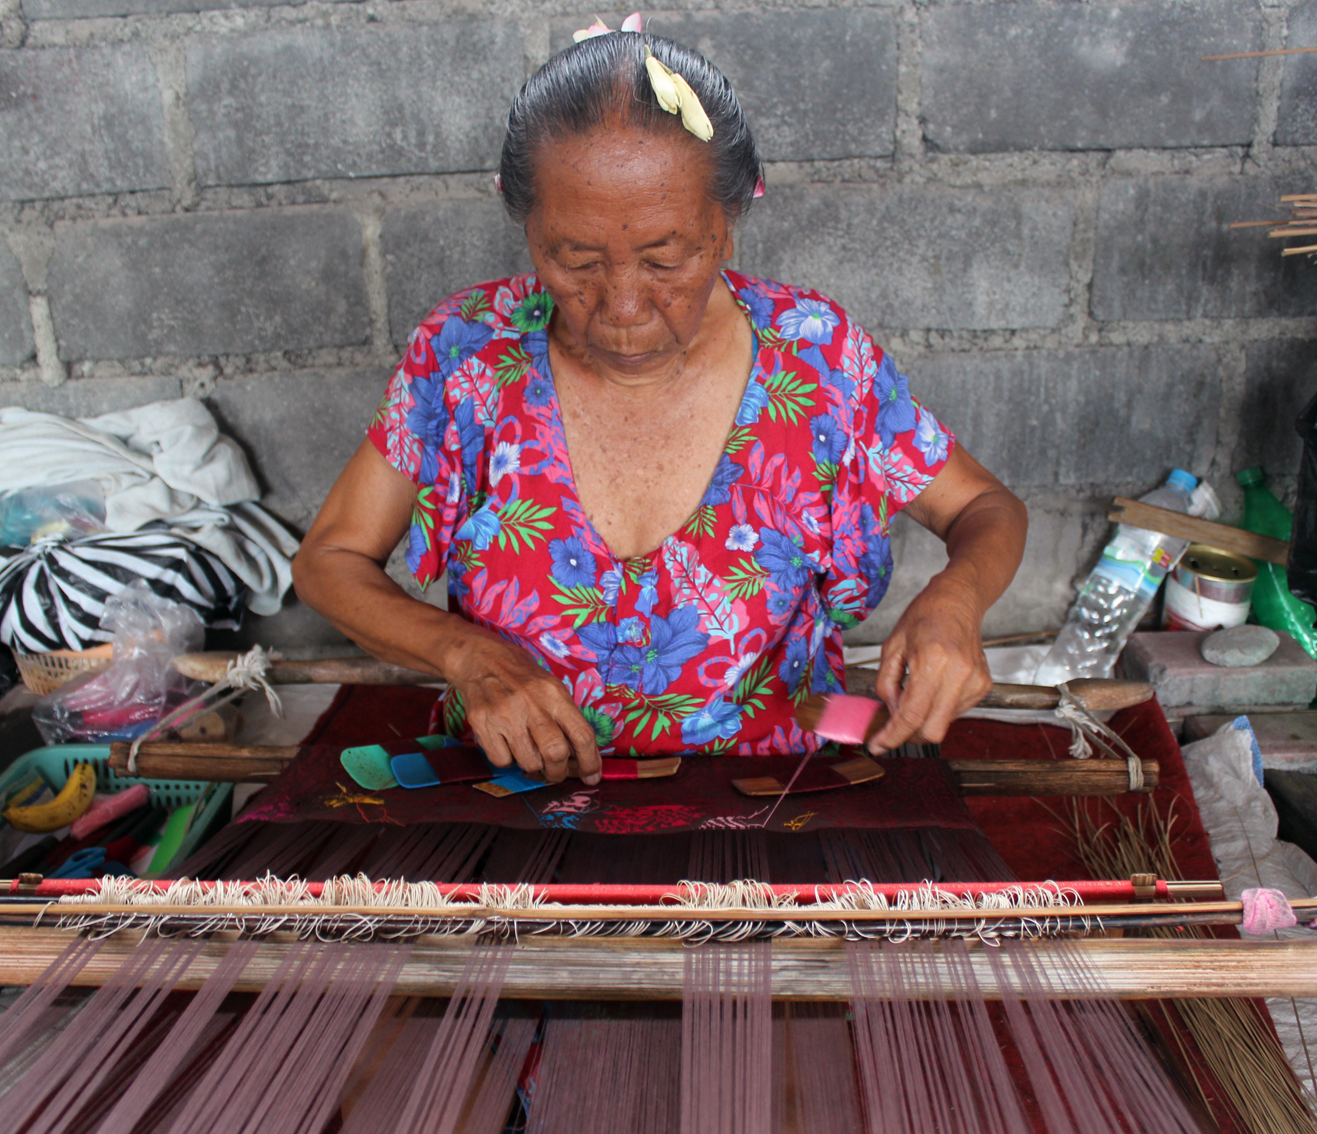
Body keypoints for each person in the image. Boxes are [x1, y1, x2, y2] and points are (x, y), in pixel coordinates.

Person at [293, 30, 1027, 786]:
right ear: (523, 221)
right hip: (515, 787)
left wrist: (956, 600)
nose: (622, 307)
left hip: (769, 796)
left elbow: (986, 508)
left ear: (730, 221)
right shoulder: (464, 355)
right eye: (573, 260)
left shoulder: (819, 359)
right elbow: (329, 561)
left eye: (665, 260)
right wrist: (468, 656)